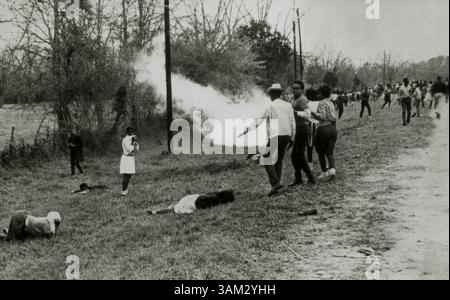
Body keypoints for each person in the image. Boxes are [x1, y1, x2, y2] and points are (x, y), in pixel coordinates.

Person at [239, 83, 296, 197]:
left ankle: (275, 183)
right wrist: (292, 138)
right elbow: (292, 122)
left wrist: (247, 129)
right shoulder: (288, 105)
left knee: (266, 158)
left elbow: (259, 121)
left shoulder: (270, 106)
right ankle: (277, 185)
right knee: (278, 160)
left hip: (275, 135)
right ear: (280, 93)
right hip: (286, 135)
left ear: (271, 94)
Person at [290, 80, 316, 186]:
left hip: (303, 128)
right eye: (293, 88)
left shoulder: (301, 99)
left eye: (297, 88)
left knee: (298, 155)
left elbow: (308, 114)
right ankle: (300, 178)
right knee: (296, 155)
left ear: (302, 89)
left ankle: (309, 178)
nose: (294, 90)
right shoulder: (295, 99)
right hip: (298, 128)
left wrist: (296, 113)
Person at [311, 85, 338, 181]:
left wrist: (313, 114)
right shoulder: (330, 102)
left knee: (320, 151)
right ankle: (332, 170)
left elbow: (322, 116)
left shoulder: (322, 103)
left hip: (323, 129)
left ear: (321, 94)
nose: (317, 95)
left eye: (319, 93)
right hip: (333, 128)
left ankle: (325, 172)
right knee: (329, 152)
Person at [147, 190, 235, 215]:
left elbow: (166, 210)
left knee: (214, 198)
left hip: (198, 200)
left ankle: (228, 196)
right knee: (214, 197)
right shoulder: (180, 204)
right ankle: (229, 196)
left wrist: (155, 212)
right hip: (198, 199)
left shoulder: (178, 206)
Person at [120, 127, 140, 196]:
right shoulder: (125, 139)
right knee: (126, 175)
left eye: (132, 132)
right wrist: (132, 141)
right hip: (126, 158)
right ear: (127, 132)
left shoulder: (132, 138)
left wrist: (135, 141)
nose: (131, 133)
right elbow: (129, 149)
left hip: (131, 158)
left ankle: (125, 189)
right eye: (130, 132)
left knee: (129, 175)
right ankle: (123, 190)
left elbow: (137, 147)